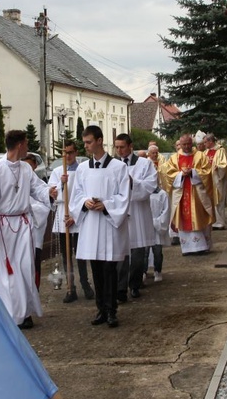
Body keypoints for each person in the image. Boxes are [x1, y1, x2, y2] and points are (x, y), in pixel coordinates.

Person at [0, 130, 55, 329]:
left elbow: (37, 188)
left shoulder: (25, 169)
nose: (28, 147)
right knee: (6, 274)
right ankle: (8, 313)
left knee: (24, 269)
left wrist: (50, 191)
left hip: (22, 227)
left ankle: (24, 313)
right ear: (20, 145)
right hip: (2, 228)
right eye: (27, 143)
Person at [69, 125, 130, 328]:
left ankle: (112, 310)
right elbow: (76, 194)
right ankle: (101, 309)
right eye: (84, 142)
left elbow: (124, 196)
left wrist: (106, 205)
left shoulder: (119, 168)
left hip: (108, 223)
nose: (85, 146)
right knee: (96, 268)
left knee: (109, 268)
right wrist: (85, 202)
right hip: (91, 225)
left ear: (99, 140)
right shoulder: (83, 169)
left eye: (88, 142)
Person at [48, 139, 94, 302]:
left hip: (78, 215)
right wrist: (61, 184)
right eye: (64, 153)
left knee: (81, 253)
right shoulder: (57, 171)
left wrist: (76, 214)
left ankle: (85, 283)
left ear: (75, 153)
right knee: (66, 255)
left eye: (70, 152)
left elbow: (85, 191)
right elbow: (52, 194)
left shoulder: (82, 170)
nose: (67, 155)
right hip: (63, 215)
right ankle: (70, 287)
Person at [114, 133, 158, 301]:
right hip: (121, 212)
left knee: (138, 252)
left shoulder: (144, 164)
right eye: (116, 147)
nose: (119, 150)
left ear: (130, 146)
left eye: (122, 147)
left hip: (138, 211)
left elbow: (151, 185)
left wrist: (133, 182)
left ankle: (134, 284)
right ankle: (120, 288)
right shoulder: (114, 165)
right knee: (122, 253)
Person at [163, 133, 215, 255]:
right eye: (184, 144)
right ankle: (187, 248)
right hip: (181, 194)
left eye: (188, 144)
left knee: (199, 216)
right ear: (180, 145)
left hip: (197, 194)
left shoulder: (200, 156)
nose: (186, 146)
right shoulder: (174, 158)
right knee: (183, 217)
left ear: (192, 144)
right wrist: (181, 174)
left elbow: (207, 172)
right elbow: (168, 174)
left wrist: (193, 172)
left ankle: (202, 247)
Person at [23, 153, 52, 290]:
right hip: (20, 231)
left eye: (30, 165)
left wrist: (28, 211)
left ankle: (35, 289)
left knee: (34, 263)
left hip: (34, 232)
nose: (27, 168)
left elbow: (44, 205)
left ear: (35, 166)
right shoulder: (19, 180)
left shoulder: (38, 183)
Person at [204, 133, 227, 230]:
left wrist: (217, 168)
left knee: (219, 201)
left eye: (206, 142)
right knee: (210, 201)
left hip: (218, 180)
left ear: (211, 141)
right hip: (208, 180)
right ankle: (212, 221)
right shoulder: (206, 152)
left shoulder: (220, 151)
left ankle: (220, 223)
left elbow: (224, 165)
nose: (204, 144)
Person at [146, 185, 170, 282]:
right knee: (144, 252)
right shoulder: (142, 194)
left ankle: (157, 270)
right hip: (145, 227)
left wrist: (156, 222)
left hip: (156, 227)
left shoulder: (162, 194)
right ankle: (143, 271)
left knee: (157, 251)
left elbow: (166, 211)